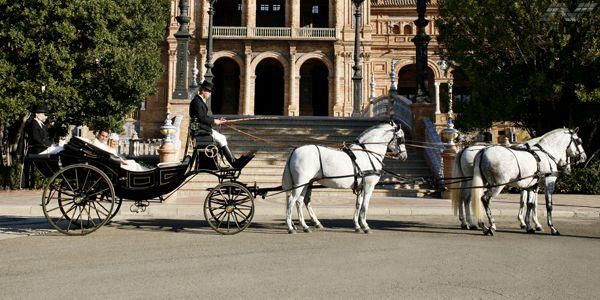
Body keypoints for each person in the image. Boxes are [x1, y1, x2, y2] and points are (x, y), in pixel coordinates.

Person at [189, 80, 254, 168]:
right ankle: (234, 162)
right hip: (201, 130)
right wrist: (215, 121)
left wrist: (216, 120)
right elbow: (202, 118)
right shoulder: (197, 102)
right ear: (203, 91)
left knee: (222, 138)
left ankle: (234, 161)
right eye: (209, 92)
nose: (210, 94)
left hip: (203, 128)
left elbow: (204, 116)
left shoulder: (198, 101)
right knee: (222, 138)